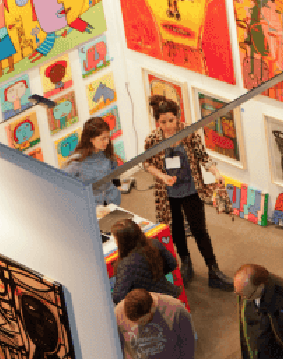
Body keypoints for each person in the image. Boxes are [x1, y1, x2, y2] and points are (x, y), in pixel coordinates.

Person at [142, 95, 231, 291]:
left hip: (191, 190)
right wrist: (162, 177)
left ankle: (213, 270)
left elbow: (203, 157)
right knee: (177, 231)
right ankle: (186, 263)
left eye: (171, 120)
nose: (168, 126)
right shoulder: (153, 139)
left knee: (200, 230)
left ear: (178, 117)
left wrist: (216, 172)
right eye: (163, 122)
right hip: (167, 194)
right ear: (157, 122)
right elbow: (146, 164)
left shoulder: (189, 133)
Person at [110, 219, 179, 304]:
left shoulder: (125, 265)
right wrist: (156, 274)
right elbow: (172, 264)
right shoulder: (154, 243)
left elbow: (118, 297)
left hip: (150, 304)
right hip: (168, 293)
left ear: (122, 242)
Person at [115, 289, 196, 359]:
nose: (139, 325)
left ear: (153, 308)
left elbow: (188, 345)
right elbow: (116, 347)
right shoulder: (118, 314)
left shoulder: (176, 310)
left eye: (142, 322)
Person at [63, 116, 122, 207]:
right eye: (103, 139)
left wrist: (117, 187)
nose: (107, 142)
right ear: (91, 139)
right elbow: (64, 186)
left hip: (112, 203)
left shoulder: (106, 151)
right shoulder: (76, 161)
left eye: (108, 137)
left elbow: (114, 170)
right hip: (92, 207)